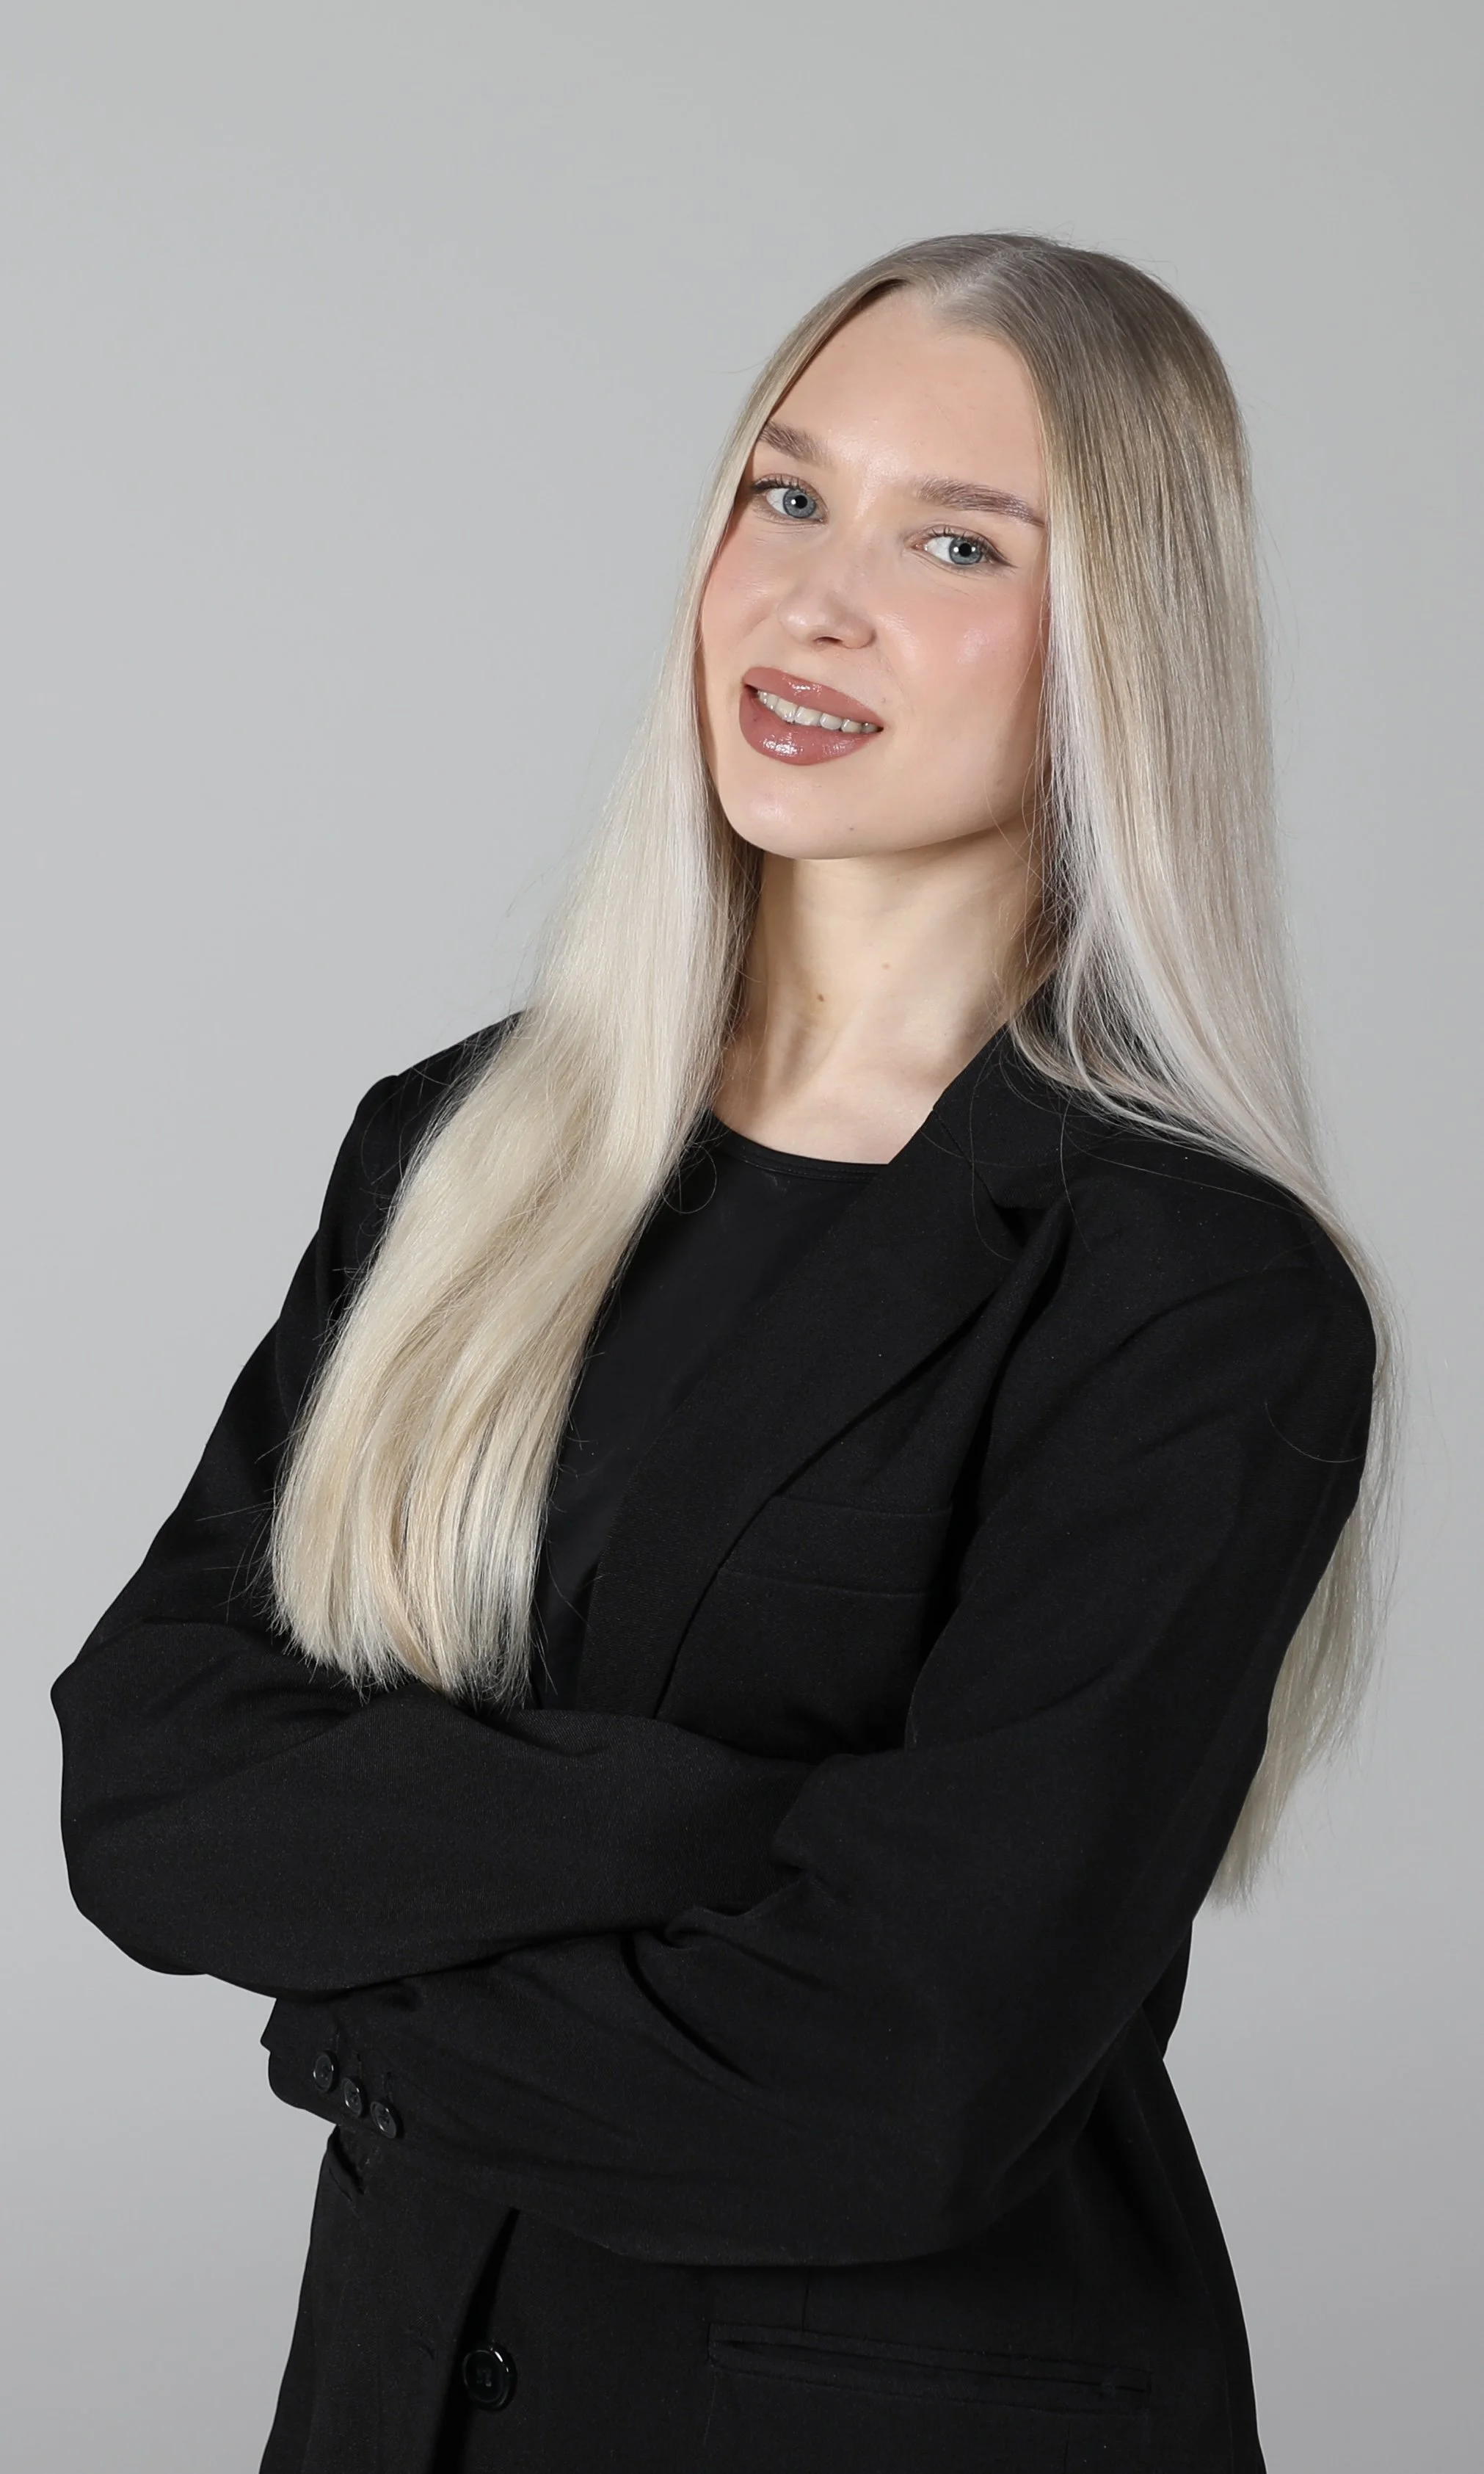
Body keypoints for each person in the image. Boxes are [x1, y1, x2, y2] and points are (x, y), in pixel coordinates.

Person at [52, 232, 1390, 2474]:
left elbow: (890, 2089)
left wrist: (348, 2009)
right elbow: (152, 1783)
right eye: (785, 495)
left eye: (954, 542)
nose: (815, 601)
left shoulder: (1189, 1297)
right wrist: (721, 1826)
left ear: (1119, 649)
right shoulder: (452, 1151)